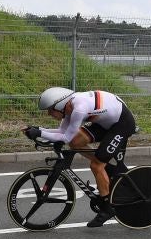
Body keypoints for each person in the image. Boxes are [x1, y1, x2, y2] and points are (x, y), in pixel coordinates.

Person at [24, 87, 137, 227]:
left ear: (59, 105)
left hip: (122, 124)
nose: (48, 113)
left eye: (50, 109)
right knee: (76, 142)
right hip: (105, 123)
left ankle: (108, 209)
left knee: (96, 165)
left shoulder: (78, 109)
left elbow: (64, 137)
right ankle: (105, 165)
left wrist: (39, 133)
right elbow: (62, 131)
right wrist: (38, 130)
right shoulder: (69, 107)